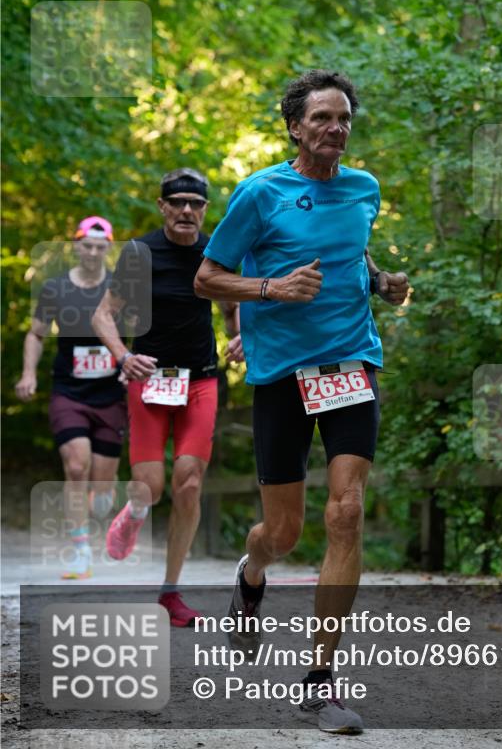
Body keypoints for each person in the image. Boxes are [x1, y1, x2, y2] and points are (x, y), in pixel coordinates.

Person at [194, 70, 408, 733]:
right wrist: (271, 289)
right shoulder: (261, 193)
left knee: (346, 513)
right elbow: (208, 278)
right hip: (283, 373)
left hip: (350, 364)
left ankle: (320, 681)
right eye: (321, 118)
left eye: (343, 118)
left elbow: (353, 256)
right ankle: (251, 572)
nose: (335, 128)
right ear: (294, 126)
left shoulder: (364, 189)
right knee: (281, 535)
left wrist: (382, 282)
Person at [91, 168, 241, 627]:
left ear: (205, 209)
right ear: (162, 206)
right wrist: (123, 357)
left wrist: (241, 338)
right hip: (150, 378)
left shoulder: (215, 252)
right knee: (150, 487)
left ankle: (170, 591)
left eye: (195, 203)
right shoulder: (140, 253)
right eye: (177, 202)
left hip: (201, 380)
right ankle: (136, 510)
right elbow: (103, 315)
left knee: (189, 482)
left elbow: (231, 307)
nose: (186, 210)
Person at [15, 216, 126, 580]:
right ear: (76, 246)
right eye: (87, 245)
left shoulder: (120, 287)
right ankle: (81, 552)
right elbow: (36, 334)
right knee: (76, 467)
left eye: (100, 246)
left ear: (108, 248)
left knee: (102, 492)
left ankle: (102, 497)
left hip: (111, 394)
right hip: (69, 391)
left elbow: (141, 334)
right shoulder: (56, 288)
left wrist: (130, 364)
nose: (93, 252)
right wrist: (29, 373)